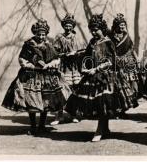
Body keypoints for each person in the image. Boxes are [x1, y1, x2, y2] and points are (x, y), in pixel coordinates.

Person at [65, 14, 137, 142]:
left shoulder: (108, 42)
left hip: (107, 76)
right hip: (92, 75)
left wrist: (96, 69)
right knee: (98, 104)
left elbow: (110, 61)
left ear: (102, 29)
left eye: (96, 29)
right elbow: (86, 55)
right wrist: (83, 66)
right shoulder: (92, 42)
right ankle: (105, 128)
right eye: (91, 29)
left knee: (103, 102)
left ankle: (100, 129)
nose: (93, 32)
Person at [2, 19, 72, 136]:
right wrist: (33, 66)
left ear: (46, 34)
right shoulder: (29, 45)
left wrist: (49, 65)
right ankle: (33, 126)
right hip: (30, 75)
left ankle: (42, 126)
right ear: (35, 33)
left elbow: (56, 58)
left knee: (45, 101)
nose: (41, 36)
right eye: (38, 34)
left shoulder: (48, 45)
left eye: (43, 34)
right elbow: (22, 59)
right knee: (31, 101)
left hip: (46, 77)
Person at [50, 14, 85, 125]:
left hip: (74, 67)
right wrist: (62, 54)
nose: (68, 27)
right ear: (63, 26)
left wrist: (75, 53)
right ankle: (59, 116)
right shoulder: (59, 37)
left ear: (73, 26)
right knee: (60, 90)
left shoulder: (76, 38)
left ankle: (74, 114)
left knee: (73, 90)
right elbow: (53, 52)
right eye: (66, 25)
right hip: (63, 66)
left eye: (70, 25)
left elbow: (83, 51)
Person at [110, 13, 140, 115]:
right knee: (117, 87)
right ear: (116, 26)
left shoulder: (127, 37)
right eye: (120, 25)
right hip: (115, 64)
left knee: (129, 87)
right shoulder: (111, 37)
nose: (122, 27)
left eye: (123, 25)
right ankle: (117, 109)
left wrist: (137, 60)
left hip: (128, 63)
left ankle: (124, 108)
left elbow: (132, 49)